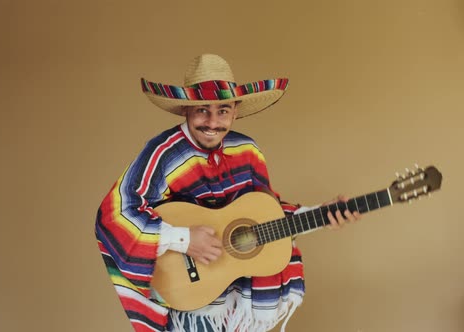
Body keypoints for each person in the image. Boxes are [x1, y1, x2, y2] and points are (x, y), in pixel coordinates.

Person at [94, 54, 360, 332]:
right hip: (191, 302)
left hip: (237, 304)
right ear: (186, 109)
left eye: (223, 110)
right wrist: (185, 240)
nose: (212, 122)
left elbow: (266, 214)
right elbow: (116, 215)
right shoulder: (163, 153)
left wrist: (321, 214)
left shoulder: (246, 150)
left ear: (235, 110)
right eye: (202, 110)